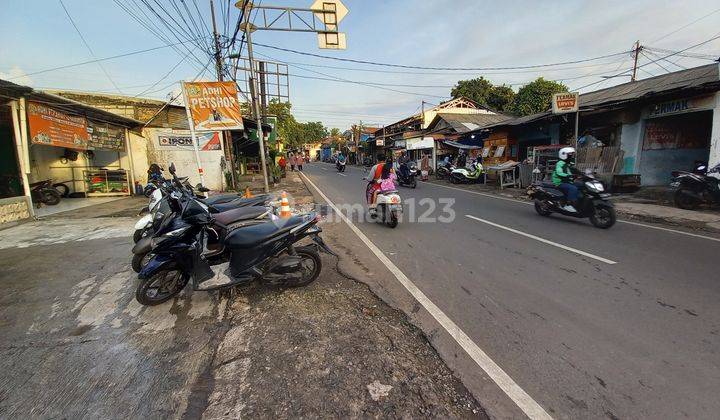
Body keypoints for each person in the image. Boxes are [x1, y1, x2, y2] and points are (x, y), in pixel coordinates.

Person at [553, 147, 579, 212]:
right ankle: (568, 204)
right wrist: (569, 175)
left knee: (580, 186)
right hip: (560, 182)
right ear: (564, 155)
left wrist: (582, 174)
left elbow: (574, 170)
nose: (571, 156)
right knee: (573, 188)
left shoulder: (567, 164)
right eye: (570, 155)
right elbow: (559, 173)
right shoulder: (560, 163)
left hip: (567, 181)